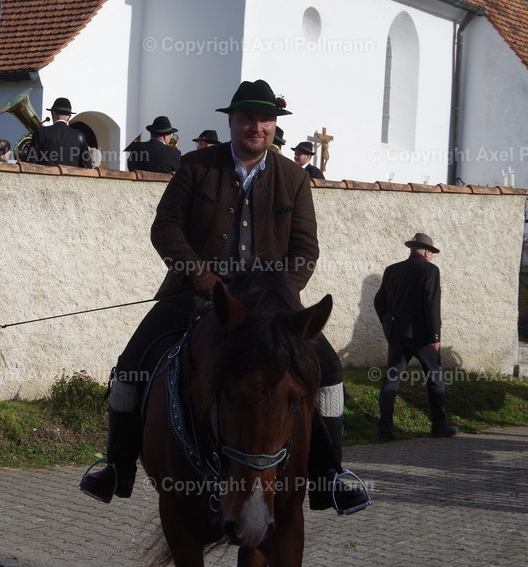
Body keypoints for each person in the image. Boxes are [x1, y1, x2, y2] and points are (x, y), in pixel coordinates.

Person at [78, 79, 370, 515]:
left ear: (274, 126)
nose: (257, 127)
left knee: (327, 368)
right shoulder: (196, 166)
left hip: (270, 307)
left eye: (265, 119)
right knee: (131, 365)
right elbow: (166, 228)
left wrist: (278, 295)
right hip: (196, 296)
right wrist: (198, 273)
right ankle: (116, 466)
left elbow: (306, 249)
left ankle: (331, 475)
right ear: (232, 122)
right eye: (248, 118)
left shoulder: (293, 177)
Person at [374, 233, 457, 440]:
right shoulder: (430, 270)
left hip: (397, 334)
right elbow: (431, 303)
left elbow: (379, 301)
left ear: (412, 250)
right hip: (422, 336)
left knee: (391, 380)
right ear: (427, 252)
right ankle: (439, 426)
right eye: (432, 253)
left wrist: (387, 323)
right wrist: (435, 335)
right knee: (435, 378)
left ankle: (385, 430)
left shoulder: (392, 270)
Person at [26, 97, 92, 168]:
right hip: (71, 178)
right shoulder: (79, 136)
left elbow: (30, 162)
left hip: (45, 177)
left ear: (52, 114)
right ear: (69, 117)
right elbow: (87, 166)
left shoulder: (41, 132)